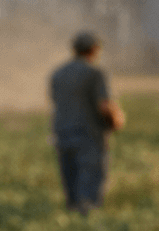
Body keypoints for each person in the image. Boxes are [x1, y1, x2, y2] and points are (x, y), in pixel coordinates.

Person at [48, 31, 125, 214]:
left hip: (62, 132)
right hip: (88, 133)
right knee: (89, 180)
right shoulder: (95, 73)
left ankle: (72, 213)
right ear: (94, 50)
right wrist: (115, 122)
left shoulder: (57, 74)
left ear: (74, 49)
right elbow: (104, 105)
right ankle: (87, 215)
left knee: (70, 177)